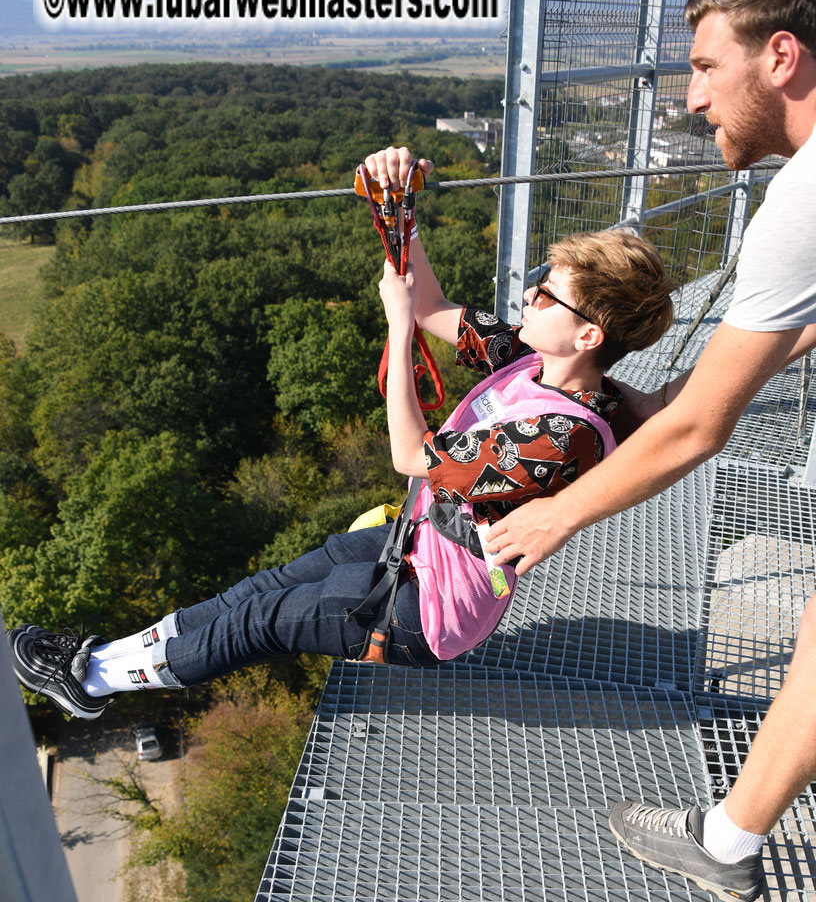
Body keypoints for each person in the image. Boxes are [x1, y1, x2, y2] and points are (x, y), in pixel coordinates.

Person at [6, 147, 675, 721]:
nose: (529, 297)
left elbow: (410, 453)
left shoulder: (562, 435)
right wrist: (398, 206)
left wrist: (398, 330)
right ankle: (98, 659)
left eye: (547, 295)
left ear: (589, 335)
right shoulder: (529, 357)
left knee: (262, 622)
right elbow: (433, 305)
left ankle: (93, 680)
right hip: (418, 542)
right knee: (258, 591)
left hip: (430, 607)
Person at [485, 0, 816, 902]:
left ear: (781, 57)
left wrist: (554, 516)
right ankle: (727, 838)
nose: (692, 98)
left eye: (707, 67)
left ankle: (725, 841)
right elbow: (790, 333)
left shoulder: (802, 201)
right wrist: (670, 398)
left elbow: (699, 432)